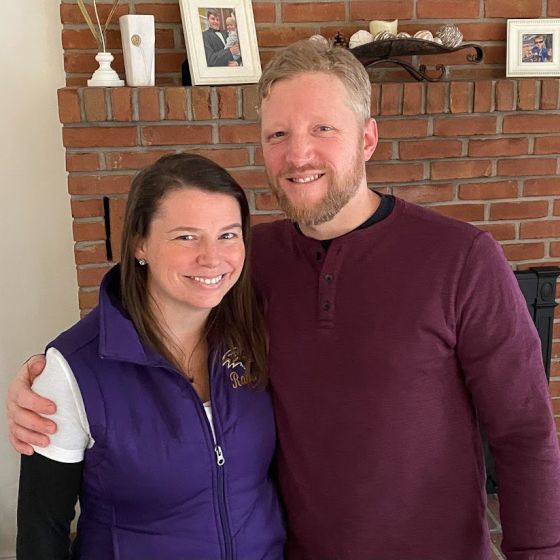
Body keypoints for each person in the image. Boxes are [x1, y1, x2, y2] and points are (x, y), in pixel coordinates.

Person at [7, 40, 560, 560]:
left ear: (367, 138)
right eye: (278, 134)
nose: (298, 154)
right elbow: (152, 315)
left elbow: (525, 432)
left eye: (323, 128)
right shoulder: (249, 259)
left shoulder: (462, 258)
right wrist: (56, 376)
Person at [15, 154, 285, 559]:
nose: (212, 258)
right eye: (187, 237)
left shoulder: (255, 332)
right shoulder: (74, 369)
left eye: (228, 235)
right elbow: (42, 530)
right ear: (139, 243)